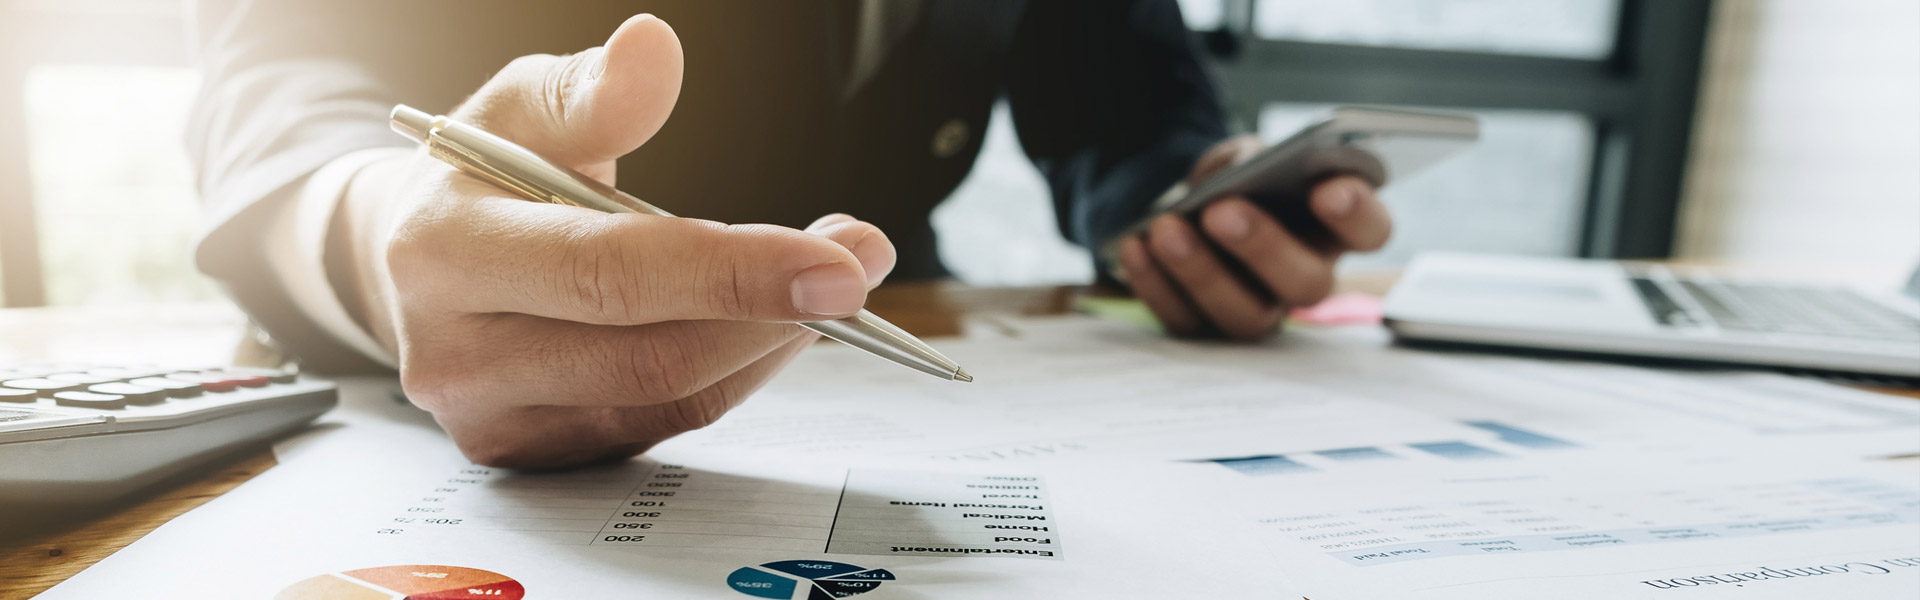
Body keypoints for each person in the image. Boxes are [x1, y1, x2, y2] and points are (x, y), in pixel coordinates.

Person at [187, 0, 1393, 468]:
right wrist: (375, 227)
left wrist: (1206, 214)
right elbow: (287, 71)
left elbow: (1128, 110)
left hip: (888, 344)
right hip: (403, 366)